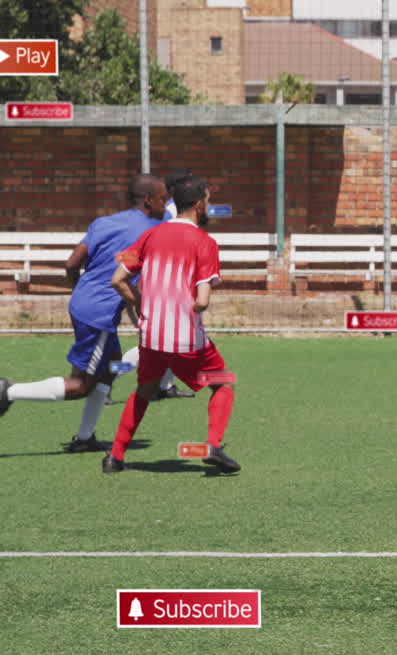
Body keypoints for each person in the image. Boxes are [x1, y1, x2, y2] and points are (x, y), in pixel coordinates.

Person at [0, 174, 167, 451]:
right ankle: (9, 391)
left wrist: (84, 291)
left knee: (112, 368)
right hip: (99, 315)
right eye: (163, 198)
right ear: (148, 200)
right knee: (81, 385)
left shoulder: (104, 222)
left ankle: (85, 438)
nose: (166, 203)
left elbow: (71, 264)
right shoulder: (155, 230)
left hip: (82, 303)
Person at [103, 175, 240, 474]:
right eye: (208, 200)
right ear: (200, 204)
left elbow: (118, 279)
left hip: (151, 335)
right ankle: (212, 445)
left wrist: (141, 302)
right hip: (186, 340)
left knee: (144, 391)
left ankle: (115, 457)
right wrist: (188, 308)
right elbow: (202, 300)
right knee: (223, 383)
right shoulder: (205, 242)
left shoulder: (150, 235)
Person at [111, 168, 196, 404]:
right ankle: (108, 379)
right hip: (150, 289)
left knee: (168, 342)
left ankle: (164, 386)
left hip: (157, 287)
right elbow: (133, 252)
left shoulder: (170, 212)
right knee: (152, 345)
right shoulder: (167, 214)